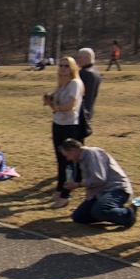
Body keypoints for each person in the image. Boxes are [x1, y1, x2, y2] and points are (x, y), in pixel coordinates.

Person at [58, 138, 136, 227]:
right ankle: (110, 212)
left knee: (100, 211)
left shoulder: (92, 153)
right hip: (100, 192)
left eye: (67, 155)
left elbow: (99, 179)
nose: (68, 159)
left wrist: (78, 185)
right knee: (79, 216)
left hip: (116, 189)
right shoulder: (82, 159)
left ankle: (129, 213)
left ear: (73, 150)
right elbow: (92, 185)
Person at [43, 56, 84, 209]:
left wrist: (57, 107)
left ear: (72, 68)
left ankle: (66, 195)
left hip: (69, 125)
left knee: (68, 163)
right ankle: (59, 190)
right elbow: (55, 105)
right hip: (58, 123)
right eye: (61, 65)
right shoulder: (61, 84)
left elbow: (71, 106)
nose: (63, 68)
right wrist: (50, 101)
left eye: (66, 66)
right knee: (60, 160)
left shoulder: (74, 83)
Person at [76, 47, 101, 123]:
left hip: (79, 112)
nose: (78, 60)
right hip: (88, 111)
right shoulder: (96, 72)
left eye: (80, 57)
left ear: (88, 58)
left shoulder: (84, 73)